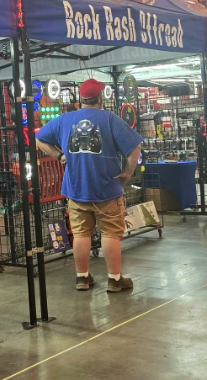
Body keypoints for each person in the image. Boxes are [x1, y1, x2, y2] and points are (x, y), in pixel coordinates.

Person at [35, 78, 142, 292]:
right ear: (100, 98)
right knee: (110, 233)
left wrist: (59, 155)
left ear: (80, 99)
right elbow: (135, 147)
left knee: (81, 234)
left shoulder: (64, 119)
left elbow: (39, 139)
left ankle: (82, 278)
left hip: (76, 189)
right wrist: (128, 173)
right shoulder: (110, 119)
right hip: (108, 188)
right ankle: (114, 279)